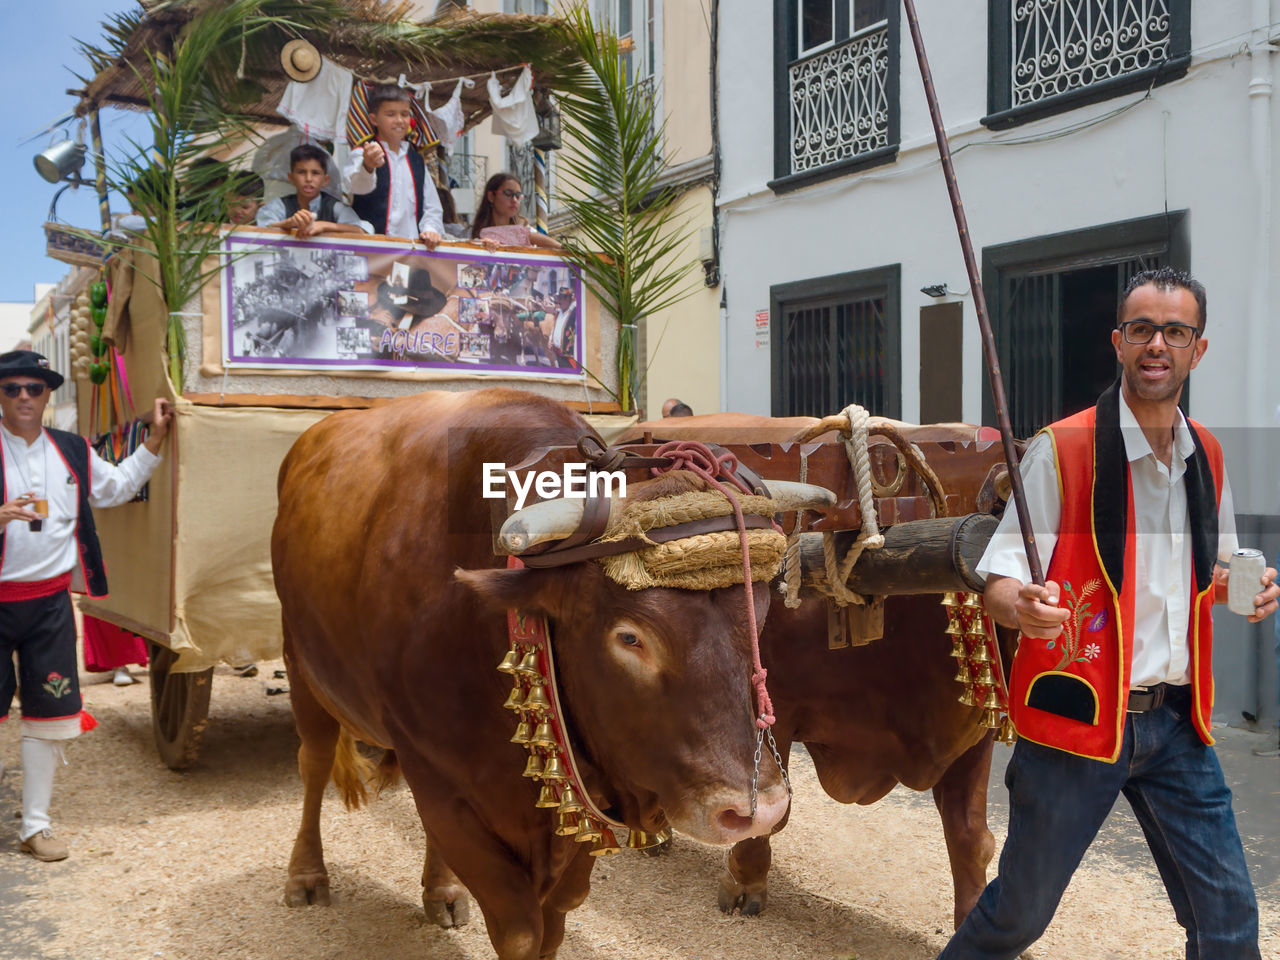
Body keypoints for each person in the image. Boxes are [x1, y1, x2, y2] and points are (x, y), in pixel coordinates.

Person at [939, 268, 1280, 959]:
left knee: (1230, 920)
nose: (1158, 344)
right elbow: (997, 581)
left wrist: (1246, 588)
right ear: (1118, 342)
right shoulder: (1062, 450)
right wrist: (1022, 606)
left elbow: (1207, 571)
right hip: (1076, 724)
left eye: (1175, 331)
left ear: (1198, 349)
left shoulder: (1206, 454)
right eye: (1143, 330)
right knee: (1018, 917)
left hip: (1178, 725)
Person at [0, 350, 173, 862]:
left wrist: (155, 443)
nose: (25, 397)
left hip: (50, 604)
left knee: (49, 716)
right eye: (13, 389)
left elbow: (117, 487)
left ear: (49, 394)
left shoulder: (71, 450)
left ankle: (36, 825)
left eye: (35, 388)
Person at [344, 85, 445, 247]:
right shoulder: (362, 153)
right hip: (371, 250)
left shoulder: (416, 160)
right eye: (391, 114)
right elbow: (356, 187)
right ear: (374, 119)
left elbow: (432, 207)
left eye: (404, 114)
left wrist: (430, 229)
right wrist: (368, 167)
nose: (399, 120)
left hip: (410, 251)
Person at [256, 144, 371, 238]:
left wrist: (324, 226)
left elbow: (362, 230)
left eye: (315, 173)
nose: (308, 179)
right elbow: (262, 227)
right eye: (301, 172)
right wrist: (288, 224)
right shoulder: (280, 205)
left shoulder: (335, 207)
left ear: (325, 180)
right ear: (291, 178)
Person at [471, 172, 562, 250]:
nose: (514, 200)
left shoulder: (527, 230)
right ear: (491, 196)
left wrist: (563, 247)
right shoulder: (472, 233)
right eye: (508, 193)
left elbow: (531, 237)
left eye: (518, 195)